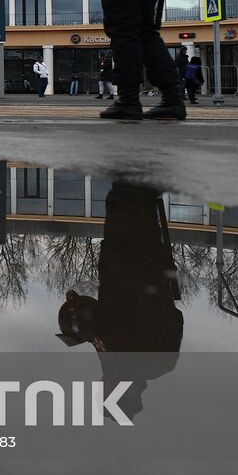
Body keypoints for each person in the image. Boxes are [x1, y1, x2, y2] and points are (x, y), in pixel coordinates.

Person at [56, 181, 183, 422]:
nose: (99, 386)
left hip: (153, 267)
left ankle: (142, 174)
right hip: (123, 265)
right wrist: (78, 329)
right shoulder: (119, 365)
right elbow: (105, 325)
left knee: (142, 203)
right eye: (102, 393)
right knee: (124, 197)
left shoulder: (163, 365)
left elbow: (177, 317)